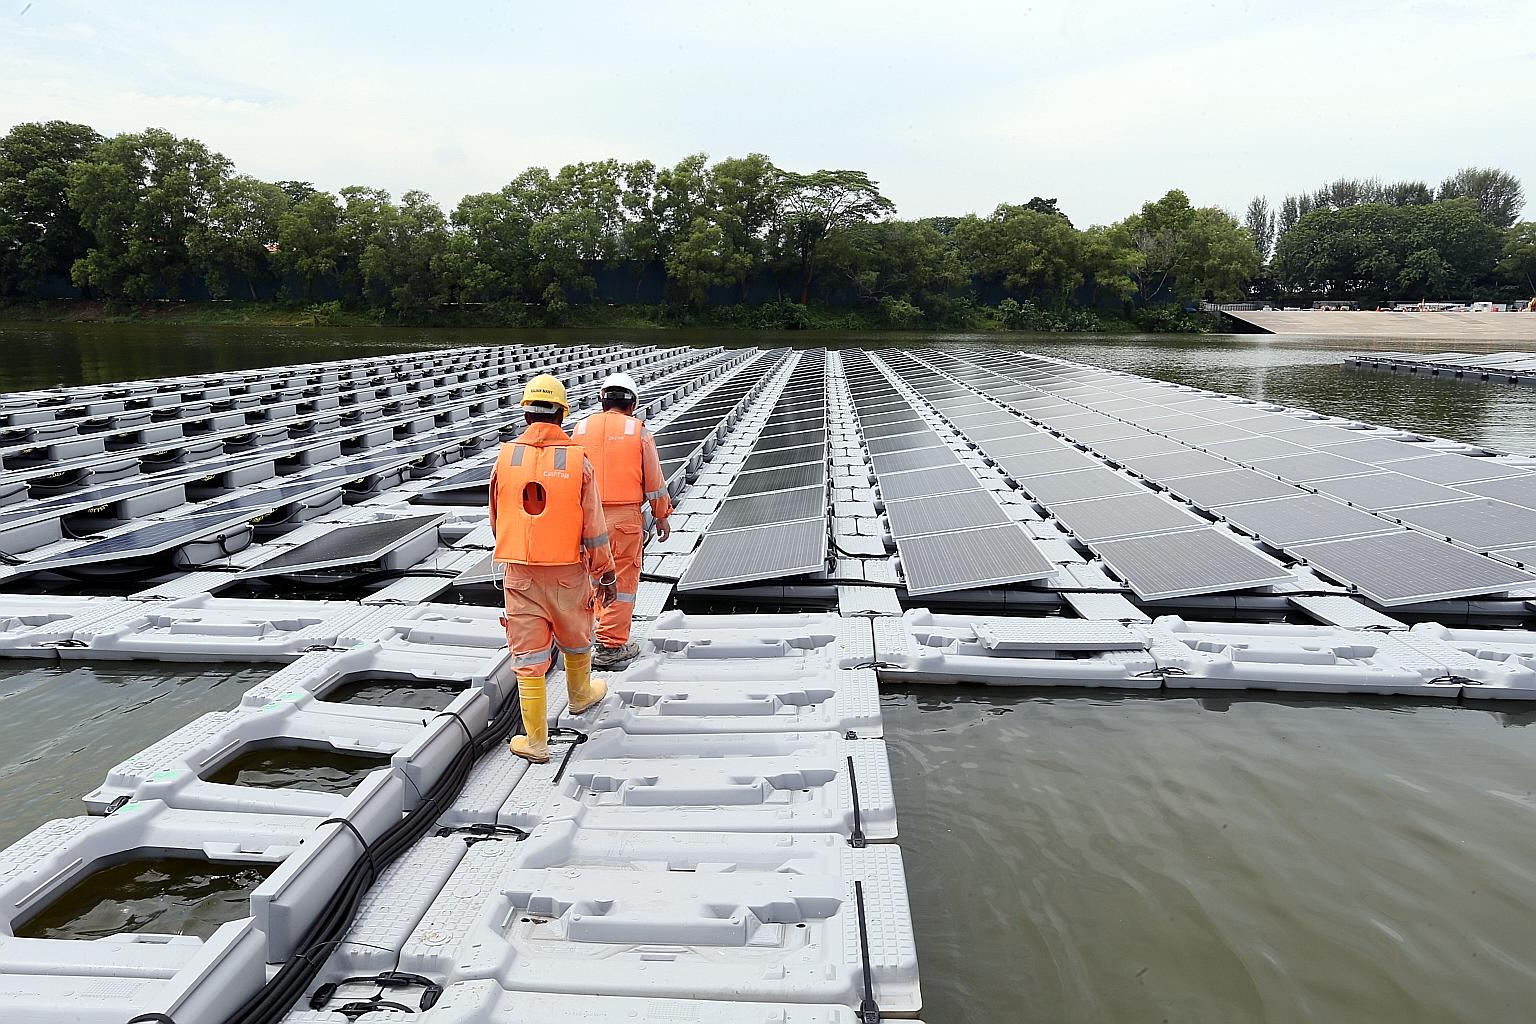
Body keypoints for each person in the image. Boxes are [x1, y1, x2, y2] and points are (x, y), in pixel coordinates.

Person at [489, 373, 618, 763]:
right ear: (563, 414)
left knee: (528, 655)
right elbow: (594, 526)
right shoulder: (578, 461)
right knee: (577, 634)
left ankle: (536, 741)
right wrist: (606, 573)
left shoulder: (505, 457)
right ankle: (580, 696)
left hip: (520, 571)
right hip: (568, 570)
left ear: (525, 413)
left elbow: (497, 518)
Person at [575, 372, 675, 668]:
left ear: (603, 399)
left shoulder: (579, 429)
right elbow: (654, 481)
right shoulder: (638, 431)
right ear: (632, 403)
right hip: (623, 519)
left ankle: (590, 634)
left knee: (592, 577)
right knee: (622, 580)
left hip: (585, 517)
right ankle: (610, 645)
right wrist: (661, 515)